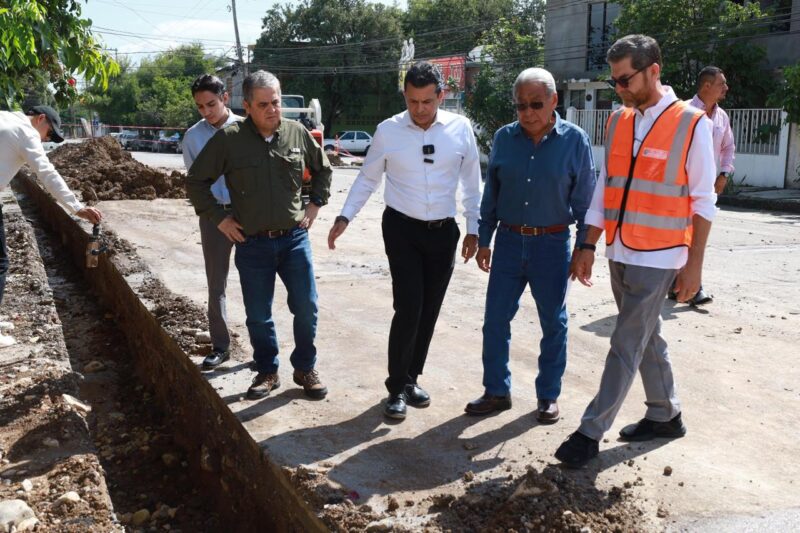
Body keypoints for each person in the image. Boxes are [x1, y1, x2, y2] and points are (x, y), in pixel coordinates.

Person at [554, 34, 717, 467]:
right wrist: (588, 241)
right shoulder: (620, 121)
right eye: (615, 82)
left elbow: (703, 202)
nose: (620, 88)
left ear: (653, 71)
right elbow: (604, 189)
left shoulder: (693, 124)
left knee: (625, 341)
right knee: (645, 337)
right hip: (620, 249)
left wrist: (693, 267)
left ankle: (590, 432)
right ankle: (665, 414)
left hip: (662, 254)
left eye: (626, 80)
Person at [327, 61, 481, 420]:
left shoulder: (461, 130)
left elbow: (472, 185)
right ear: (405, 97)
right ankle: (396, 387)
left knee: (429, 309)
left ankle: (412, 378)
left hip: (443, 232)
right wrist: (345, 215)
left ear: (441, 95)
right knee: (409, 305)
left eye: (427, 101)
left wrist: (474, 228)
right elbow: (367, 178)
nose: (420, 110)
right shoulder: (388, 131)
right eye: (413, 101)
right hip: (401, 229)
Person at [186, 70, 332, 400]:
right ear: (248, 106)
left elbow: (323, 169)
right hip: (252, 243)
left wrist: (315, 204)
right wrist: (220, 219)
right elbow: (196, 183)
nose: (272, 110)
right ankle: (267, 371)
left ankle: (305, 368)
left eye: (276, 102)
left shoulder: (297, 133)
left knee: (306, 307)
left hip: (294, 239)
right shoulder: (229, 139)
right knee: (258, 316)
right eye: (263, 104)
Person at [463, 68, 596, 423]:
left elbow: (586, 201)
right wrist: (484, 238)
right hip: (507, 242)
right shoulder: (505, 139)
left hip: (552, 246)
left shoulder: (575, 140)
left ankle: (548, 396)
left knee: (554, 323)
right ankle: (496, 391)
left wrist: (586, 247)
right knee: (494, 321)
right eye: (520, 105)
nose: (527, 112)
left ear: (554, 101)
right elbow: (492, 192)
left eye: (536, 104)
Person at [0, 105, 102, 348]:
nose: (46, 140)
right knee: (1, 262)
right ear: (40, 118)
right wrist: (76, 207)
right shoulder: (26, 132)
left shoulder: (4, 117)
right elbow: (46, 172)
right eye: (48, 134)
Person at [182, 74, 242, 370]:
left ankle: (265, 352)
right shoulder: (193, 137)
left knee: (259, 282)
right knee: (216, 283)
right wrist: (218, 217)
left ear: (225, 99)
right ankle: (221, 346)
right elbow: (196, 185)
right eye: (200, 107)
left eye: (211, 104)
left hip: (250, 215)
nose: (206, 112)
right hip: (215, 218)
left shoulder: (247, 128)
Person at [668, 66, 735, 306]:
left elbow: (728, 148)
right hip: (681, 188)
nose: (726, 88)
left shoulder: (721, 117)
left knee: (695, 237)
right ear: (706, 86)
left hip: (705, 190)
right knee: (684, 236)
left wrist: (724, 174)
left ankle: (678, 284)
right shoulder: (683, 112)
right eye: (722, 83)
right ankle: (690, 286)